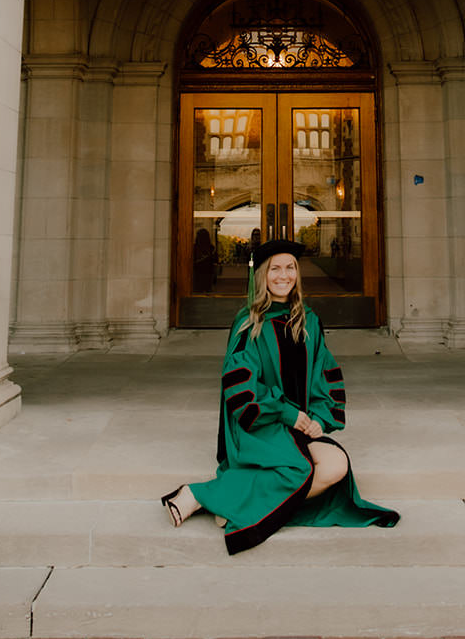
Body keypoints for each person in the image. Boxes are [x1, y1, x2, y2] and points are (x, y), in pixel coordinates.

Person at [161, 238, 399, 555]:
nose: (283, 276)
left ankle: (238, 505)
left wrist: (318, 418)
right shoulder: (249, 323)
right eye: (275, 269)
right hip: (260, 424)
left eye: (290, 268)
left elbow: (323, 373)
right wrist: (288, 414)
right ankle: (197, 495)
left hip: (298, 424)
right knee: (301, 469)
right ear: (262, 275)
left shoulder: (308, 321)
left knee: (336, 466)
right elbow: (242, 388)